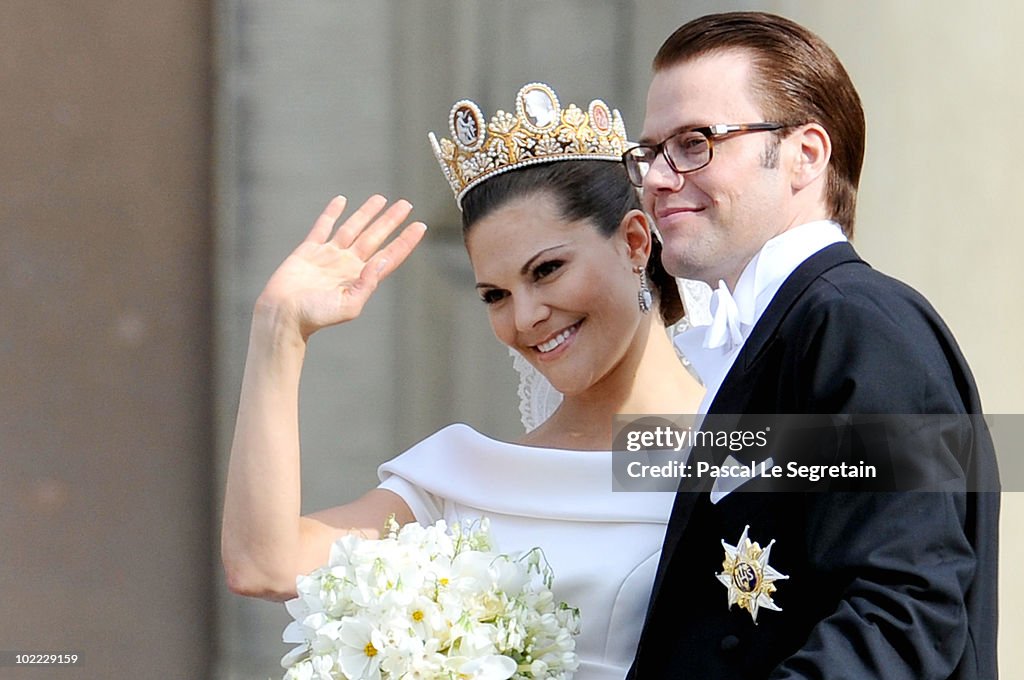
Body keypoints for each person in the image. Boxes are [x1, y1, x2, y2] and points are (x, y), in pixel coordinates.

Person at [220, 83, 705, 679]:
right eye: (495, 295)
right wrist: (280, 331)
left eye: (548, 270)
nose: (524, 317)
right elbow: (263, 565)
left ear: (634, 241)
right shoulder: (463, 476)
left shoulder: (747, 448)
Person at [622, 11, 999, 680]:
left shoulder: (858, 326)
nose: (657, 178)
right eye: (651, 152)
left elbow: (904, 613)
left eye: (695, 143)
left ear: (805, 155)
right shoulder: (785, 330)